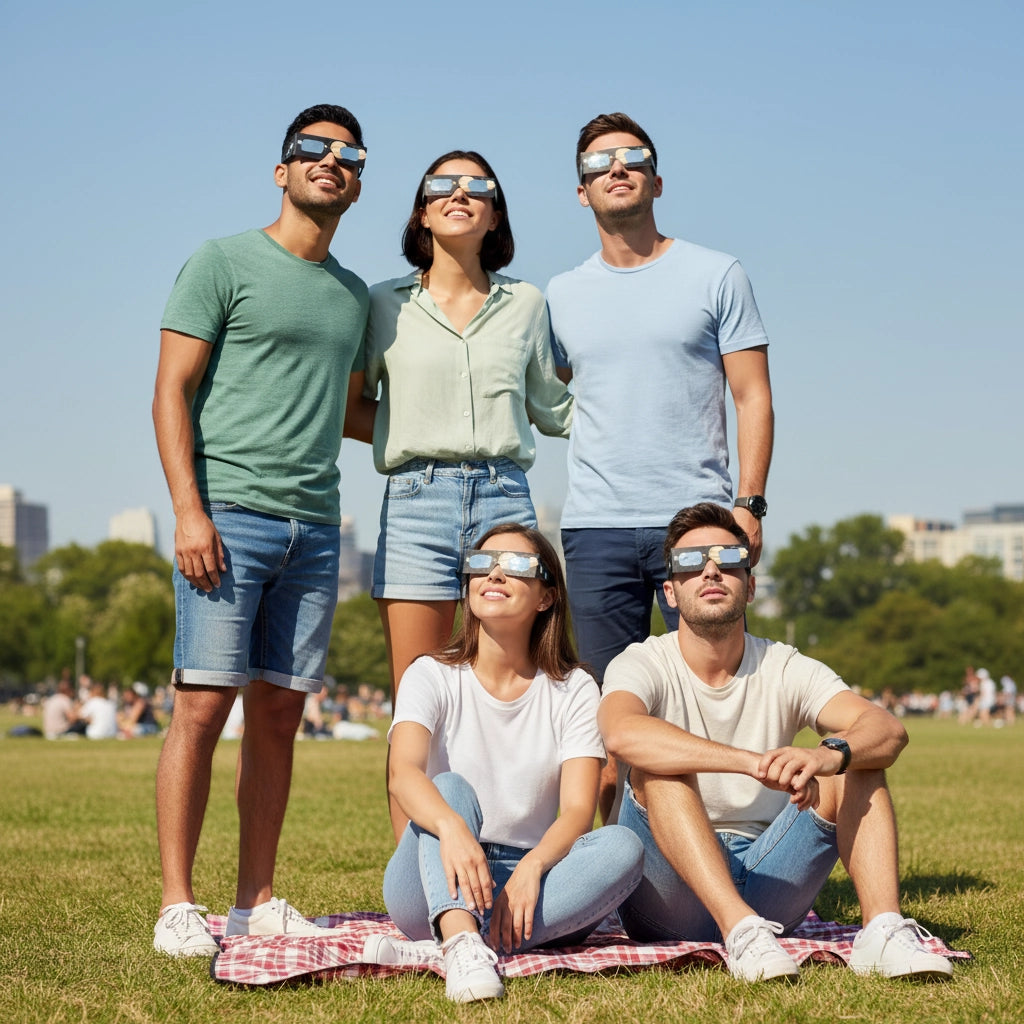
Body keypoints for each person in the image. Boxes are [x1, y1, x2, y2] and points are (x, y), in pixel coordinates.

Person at [150, 103, 369, 957]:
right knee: (202, 708)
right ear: (282, 171)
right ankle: (178, 903)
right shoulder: (222, 261)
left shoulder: (353, 295)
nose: (331, 161)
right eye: (313, 149)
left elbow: (355, 412)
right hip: (227, 516)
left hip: (315, 528)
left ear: (358, 182)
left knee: (279, 716)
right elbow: (171, 389)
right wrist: (188, 509)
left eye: (349, 154)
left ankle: (255, 900)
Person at [598, 503, 954, 983]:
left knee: (856, 755)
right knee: (658, 766)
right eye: (690, 562)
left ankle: (882, 931)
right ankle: (740, 931)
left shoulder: (783, 664)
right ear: (671, 592)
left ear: (751, 584)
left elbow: (887, 728)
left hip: (770, 879)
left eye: (727, 560)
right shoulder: (642, 661)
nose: (710, 570)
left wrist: (826, 755)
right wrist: (748, 763)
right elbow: (621, 733)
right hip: (667, 896)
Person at [546, 112, 774, 821]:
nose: (617, 168)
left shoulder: (716, 274)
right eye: (599, 163)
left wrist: (750, 505)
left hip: (697, 525)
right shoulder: (559, 295)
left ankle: (722, 853)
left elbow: (753, 395)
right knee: (611, 715)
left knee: (707, 697)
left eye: (633, 157)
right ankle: (620, 870)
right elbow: (543, 397)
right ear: (581, 191)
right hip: (596, 528)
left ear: (656, 179)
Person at [346, 150, 573, 839]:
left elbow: (555, 408)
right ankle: (417, 885)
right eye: (443, 184)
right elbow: (352, 405)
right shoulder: (383, 304)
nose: (461, 193)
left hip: (506, 500)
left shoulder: (528, 305)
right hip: (416, 500)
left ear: (495, 214)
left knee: (508, 694)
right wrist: (405, 430)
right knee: (417, 701)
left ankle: (510, 857)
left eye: (479, 187)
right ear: (421, 211)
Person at [371, 523, 643, 1002]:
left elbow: (578, 811)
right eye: (481, 563)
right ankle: (458, 936)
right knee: (449, 786)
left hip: (527, 878)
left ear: (546, 597)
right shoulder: (429, 674)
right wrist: (455, 832)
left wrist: (534, 867)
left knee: (625, 846)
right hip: (432, 870)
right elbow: (404, 775)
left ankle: (461, 946)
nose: (493, 573)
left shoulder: (575, 687)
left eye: (516, 566)